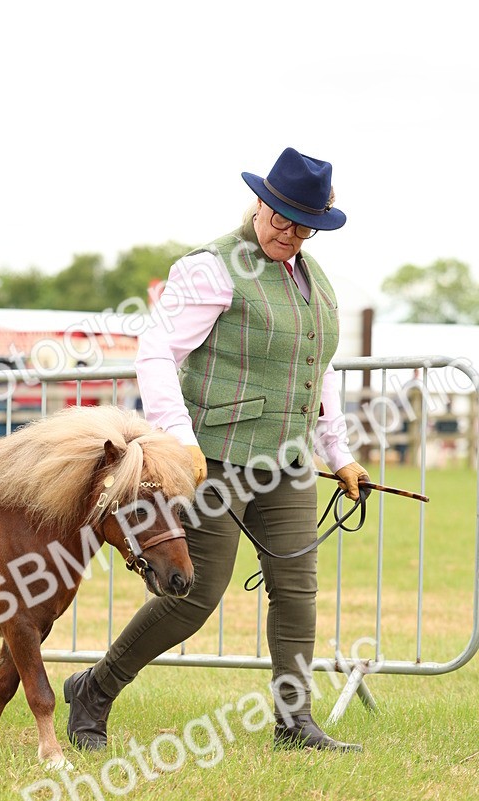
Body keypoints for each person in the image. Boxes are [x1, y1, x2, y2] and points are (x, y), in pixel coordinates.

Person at [64, 147, 370, 753]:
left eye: (304, 224)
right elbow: (156, 352)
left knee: (296, 591)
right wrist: (179, 440)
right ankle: (94, 691)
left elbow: (319, 369)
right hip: (216, 459)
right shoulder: (210, 268)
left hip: (285, 463)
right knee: (194, 595)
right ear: (259, 202)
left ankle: (295, 720)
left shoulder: (315, 278)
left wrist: (340, 452)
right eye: (281, 218)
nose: (289, 233)